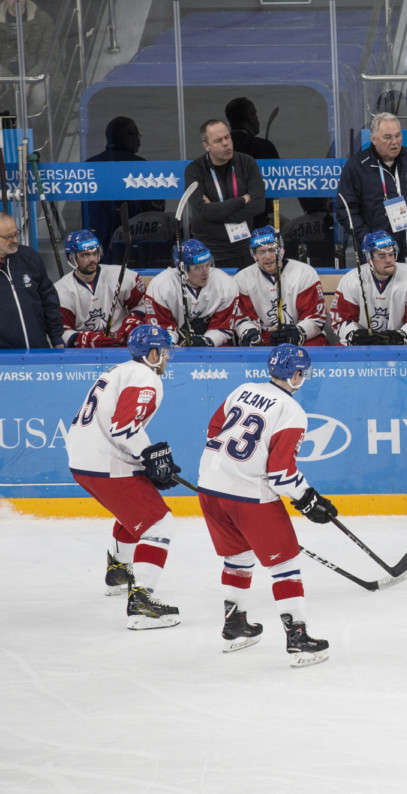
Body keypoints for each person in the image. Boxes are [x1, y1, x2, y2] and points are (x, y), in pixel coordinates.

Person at [197, 344, 337, 666]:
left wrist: (229, 467)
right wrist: (307, 497)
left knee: (238, 556)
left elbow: (213, 431)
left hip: (209, 487)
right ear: (296, 374)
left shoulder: (242, 389)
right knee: (285, 563)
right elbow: (281, 474)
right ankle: (298, 640)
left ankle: (235, 627)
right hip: (248, 495)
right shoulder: (291, 410)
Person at [65, 324, 182, 628]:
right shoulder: (145, 376)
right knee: (159, 524)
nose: (167, 357)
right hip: (105, 462)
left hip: (83, 460)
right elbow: (124, 428)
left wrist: (148, 460)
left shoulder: (118, 370)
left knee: (136, 513)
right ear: (153, 354)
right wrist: (150, 455)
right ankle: (142, 602)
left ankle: (119, 571)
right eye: (165, 351)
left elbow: (117, 426)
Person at [335, 112, 407, 269]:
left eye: (398, 136)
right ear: (373, 138)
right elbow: (346, 210)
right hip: (377, 257)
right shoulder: (357, 167)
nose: (394, 142)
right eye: (387, 137)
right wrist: (369, 239)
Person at [183, 120, 266, 270]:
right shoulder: (194, 170)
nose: (226, 143)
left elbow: (259, 205)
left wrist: (216, 212)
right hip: (209, 252)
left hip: (244, 249)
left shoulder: (247, 163)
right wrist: (242, 200)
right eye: (218, 140)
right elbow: (201, 211)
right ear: (206, 146)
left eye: (227, 137)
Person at [330, 230, 407, 346]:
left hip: (403, 343)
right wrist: (355, 335)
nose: (389, 260)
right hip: (364, 344)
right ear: (369, 259)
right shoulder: (351, 280)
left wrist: (398, 337)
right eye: (382, 256)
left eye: (391, 254)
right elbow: (341, 319)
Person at [233, 226, 328, 347]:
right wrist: (251, 334)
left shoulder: (304, 273)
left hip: (301, 334)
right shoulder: (242, 278)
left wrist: (297, 333)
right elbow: (243, 319)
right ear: (254, 255)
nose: (268, 256)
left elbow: (315, 316)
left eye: (272, 250)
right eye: (261, 252)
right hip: (264, 336)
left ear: (282, 249)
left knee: (316, 346)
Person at [82, 117, 165, 255]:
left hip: (99, 243)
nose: (139, 141)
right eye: (136, 135)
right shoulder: (142, 167)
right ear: (125, 137)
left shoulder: (89, 166)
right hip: (135, 243)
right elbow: (156, 210)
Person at [54, 230, 148, 348]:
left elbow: (142, 305)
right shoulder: (61, 289)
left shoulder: (121, 275)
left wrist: (131, 326)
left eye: (94, 253)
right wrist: (88, 340)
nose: (92, 259)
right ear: (71, 257)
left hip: (122, 345)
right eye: (85, 255)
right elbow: (62, 331)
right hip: (85, 353)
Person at [145, 239, 239, 347]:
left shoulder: (225, 284)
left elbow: (223, 327)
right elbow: (160, 328)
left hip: (215, 347)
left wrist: (207, 341)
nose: (205, 272)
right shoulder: (161, 286)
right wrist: (170, 344)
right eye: (198, 268)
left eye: (207, 265)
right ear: (183, 269)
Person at [0, 211, 63, 349]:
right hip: (4, 356)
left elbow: (49, 299)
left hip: (37, 350)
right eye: (9, 237)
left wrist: (57, 338)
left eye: (16, 234)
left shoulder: (29, 257)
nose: (14, 240)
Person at [225, 97, 280, 230]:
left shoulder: (219, 149)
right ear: (250, 119)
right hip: (259, 219)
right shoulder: (263, 147)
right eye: (255, 115)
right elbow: (278, 180)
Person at [0, 0, 52, 112]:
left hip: (32, 72)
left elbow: (45, 56)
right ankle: (7, 121)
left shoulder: (43, 19)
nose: (16, 1)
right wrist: (12, 80)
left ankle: (30, 122)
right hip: (4, 71)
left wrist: (28, 80)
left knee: (40, 97)